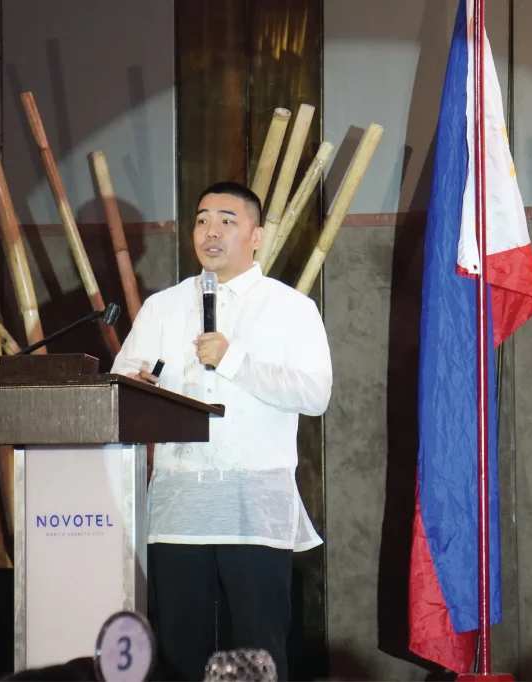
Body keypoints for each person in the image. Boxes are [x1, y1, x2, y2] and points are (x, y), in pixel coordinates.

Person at [110, 181, 332, 681]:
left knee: (257, 650)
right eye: (202, 219)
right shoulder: (162, 307)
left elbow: (315, 395)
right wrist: (138, 387)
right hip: (179, 504)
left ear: (256, 236)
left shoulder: (291, 307)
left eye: (227, 221)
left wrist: (233, 360)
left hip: (253, 502)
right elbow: (121, 382)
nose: (211, 232)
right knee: (179, 650)